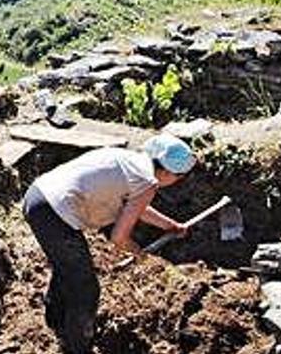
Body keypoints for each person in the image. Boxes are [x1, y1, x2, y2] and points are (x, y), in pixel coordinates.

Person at [22, 133, 196, 354]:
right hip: (55, 215)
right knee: (86, 289)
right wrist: (138, 253)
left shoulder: (126, 160)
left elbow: (135, 206)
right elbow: (118, 237)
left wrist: (170, 225)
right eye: (179, 177)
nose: (177, 181)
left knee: (67, 266)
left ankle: (55, 320)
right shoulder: (147, 182)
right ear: (168, 172)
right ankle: (78, 348)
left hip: (38, 197)